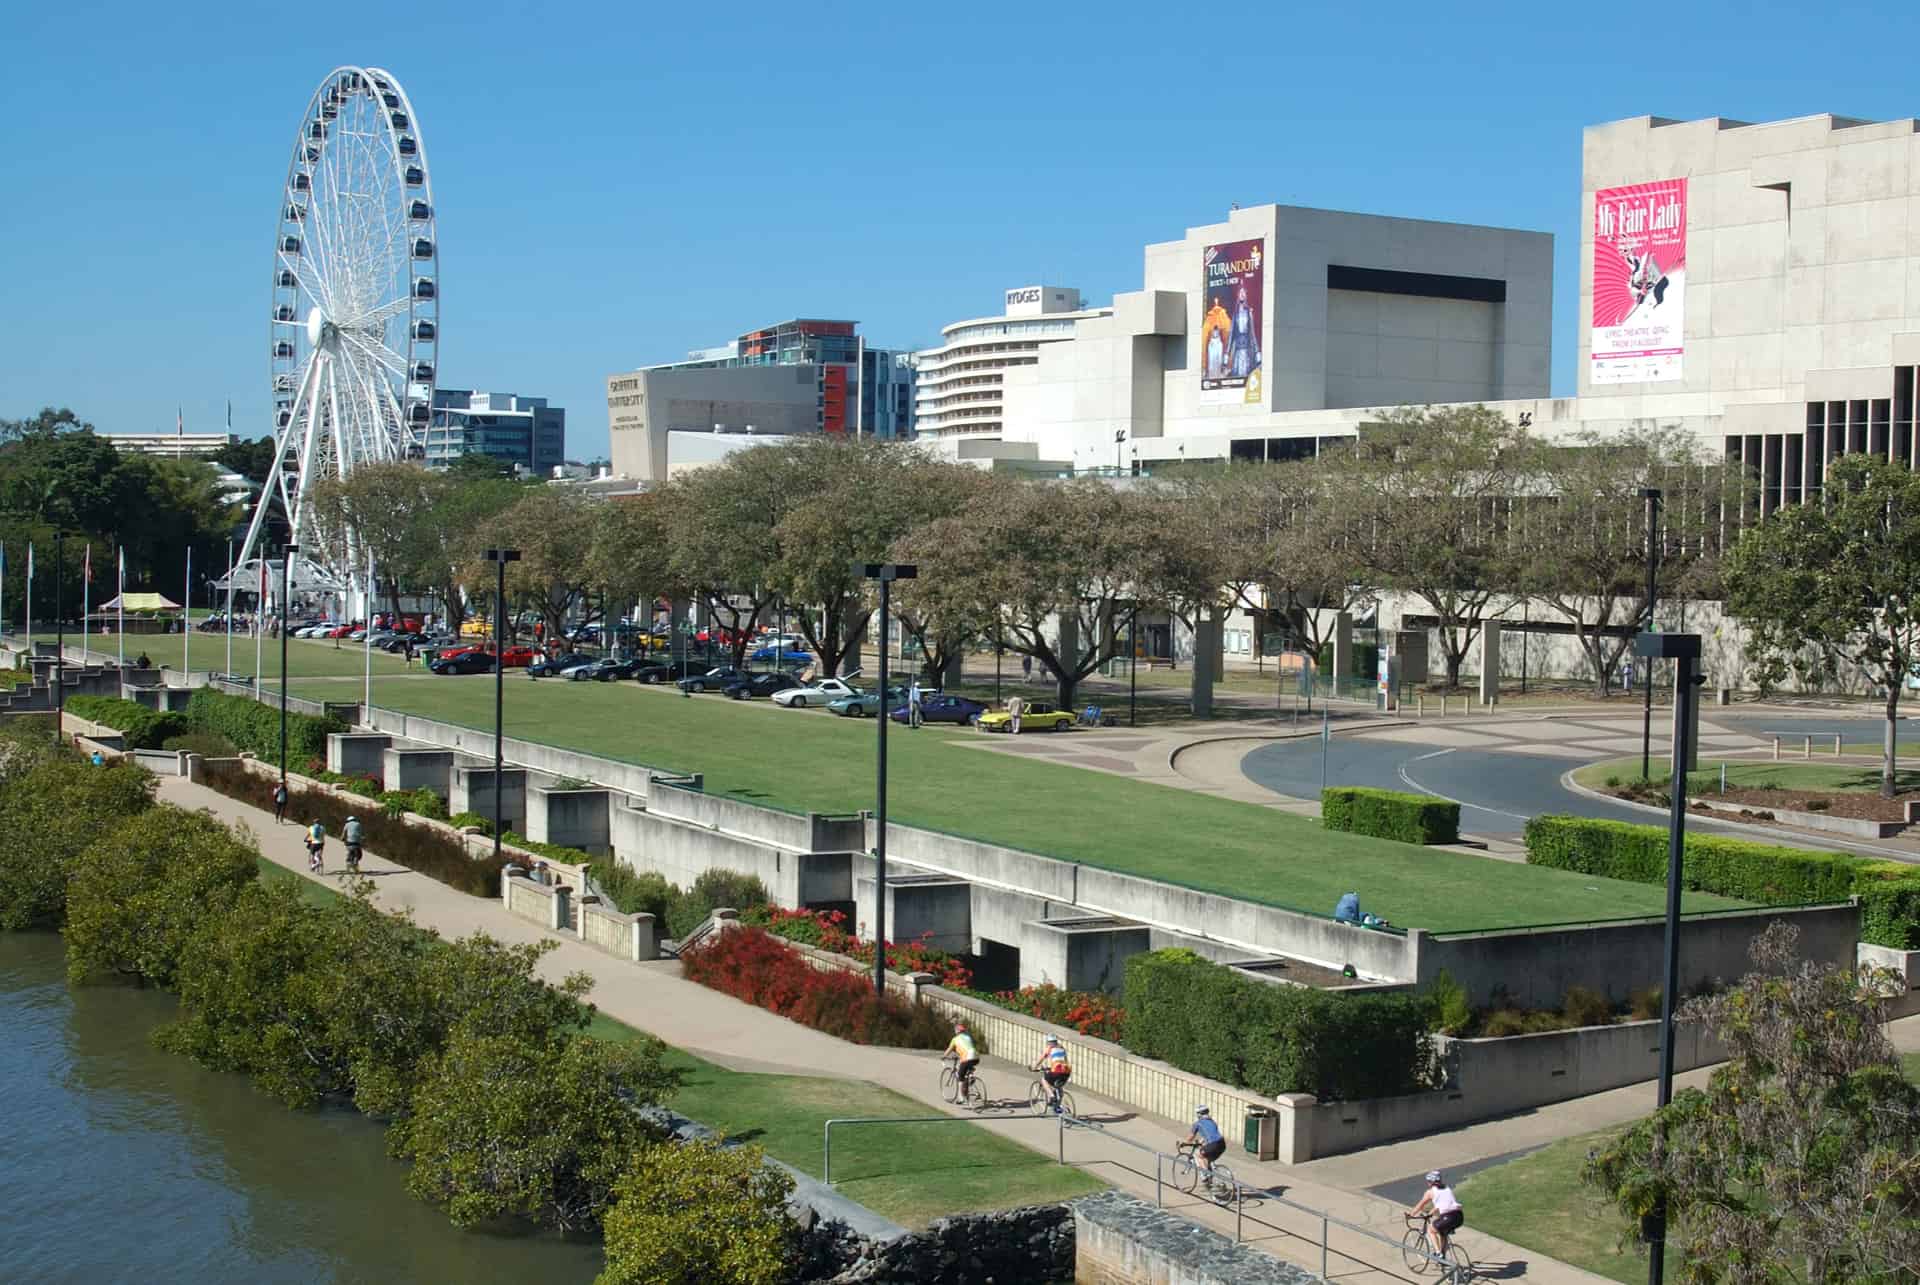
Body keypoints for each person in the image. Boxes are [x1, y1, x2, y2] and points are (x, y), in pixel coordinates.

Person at [1408, 1170, 1464, 1257]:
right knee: (1443, 1233)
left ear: (1431, 1182)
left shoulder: (1430, 1192)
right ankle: (1443, 1258)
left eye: (1428, 1181)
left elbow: (1420, 1205)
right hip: (1459, 1216)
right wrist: (1430, 1213)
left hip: (1448, 1217)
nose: (1427, 1183)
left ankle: (1438, 1253)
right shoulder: (1447, 1188)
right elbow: (1441, 1204)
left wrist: (1411, 1215)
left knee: (1431, 1230)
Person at [1183, 1106, 1227, 1184]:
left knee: (1197, 1155)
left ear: (1199, 1114)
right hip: (1222, 1144)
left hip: (1213, 1144)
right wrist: (1201, 1142)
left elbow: (1190, 1137)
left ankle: (1207, 1175)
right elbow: (1209, 1134)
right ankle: (1211, 1182)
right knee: (1206, 1159)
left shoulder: (1198, 1124)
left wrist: (1183, 1143)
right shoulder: (1212, 1121)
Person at [1032, 1035, 1072, 1113]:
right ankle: (1057, 1107)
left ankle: (1051, 1096)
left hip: (1056, 1070)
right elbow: (1063, 1060)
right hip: (1066, 1071)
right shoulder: (1062, 1048)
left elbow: (1041, 1059)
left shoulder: (1049, 1048)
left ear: (1048, 1042)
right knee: (1058, 1087)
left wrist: (1034, 1067)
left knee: (1044, 1080)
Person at [943, 1021, 979, 1097]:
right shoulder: (968, 1037)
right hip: (976, 1056)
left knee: (960, 1077)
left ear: (957, 1031)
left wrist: (944, 1056)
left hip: (967, 1057)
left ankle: (961, 1098)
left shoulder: (955, 1039)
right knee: (967, 1070)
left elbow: (949, 1049)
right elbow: (967, 1047)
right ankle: (971, 1077)